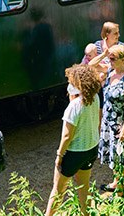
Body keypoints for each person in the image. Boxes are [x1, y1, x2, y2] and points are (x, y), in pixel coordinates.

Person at [44, 65, 102, 216]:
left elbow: (67, 136)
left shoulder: (74, 107)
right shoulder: (95, 98)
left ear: (78, 84)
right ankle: (86, 213)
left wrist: (59, 156)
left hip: (74, 153)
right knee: (84, 187)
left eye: (71, 82)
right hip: (91, 149)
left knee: (58, 189)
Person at [98, 46, 124, 192]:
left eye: (113, 58)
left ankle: (120, 193)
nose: (110, 60)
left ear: (123, 59)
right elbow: (91, 66)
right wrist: (104, 55)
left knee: (119, 158)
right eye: (109, 58)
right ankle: (116, 184)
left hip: (118, 126)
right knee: (112, 157)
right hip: (107, 124)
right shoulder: (109, 72)